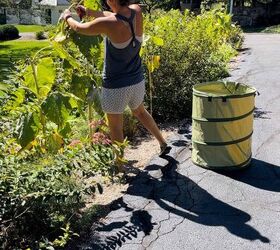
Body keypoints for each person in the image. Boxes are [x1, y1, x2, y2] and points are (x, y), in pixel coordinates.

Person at [61, 0, 168, 156]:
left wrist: (67, 17)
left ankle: (120, 166)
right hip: (137, 80)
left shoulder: (108, 23)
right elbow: (116, 16)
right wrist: (89, 12)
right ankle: (163, 142)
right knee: (141, 112)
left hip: (115, 86)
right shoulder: (136, 11)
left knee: (116, 127)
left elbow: (79, 27)